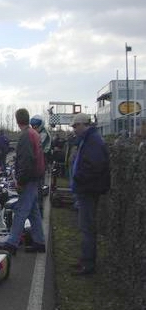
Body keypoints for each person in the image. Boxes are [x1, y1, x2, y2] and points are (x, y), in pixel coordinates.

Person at [0, 108, 46, 254]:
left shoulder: (26, 136)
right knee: (33, 212)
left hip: (29, 179)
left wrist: (20, 180)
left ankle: (12, 243)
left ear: (17, 120)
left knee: (21, 211)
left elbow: (26, 161)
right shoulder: (34, 133)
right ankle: (39, 241)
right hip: (35, 177)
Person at [70, 112, 110, 275]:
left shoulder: (92, 140)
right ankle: (85, 260)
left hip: (88, 190)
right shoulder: (89, 139)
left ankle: (88, 264)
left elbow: (94, 166)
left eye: (75, 126)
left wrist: (78, 178)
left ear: (83, 124)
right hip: (87, 189)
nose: (74, 129)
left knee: (87, 228)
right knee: (85, 227)